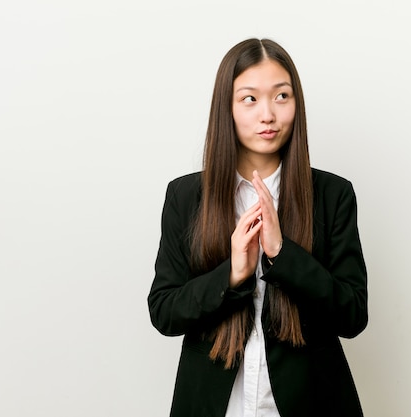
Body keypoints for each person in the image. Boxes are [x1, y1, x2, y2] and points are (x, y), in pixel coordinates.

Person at [148, 38, 368, 417]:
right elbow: (165, 311)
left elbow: (352, 316)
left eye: (282, 96)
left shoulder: (333, 194)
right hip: (215, 406)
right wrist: (232, 274)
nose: (268, 114)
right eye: (250, 99)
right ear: (227, 109)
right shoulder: (185, 196)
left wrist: (285, 255)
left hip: (311, 402)